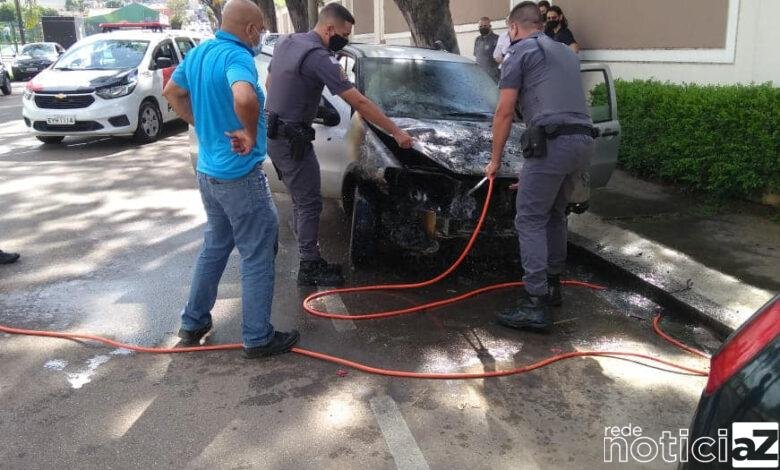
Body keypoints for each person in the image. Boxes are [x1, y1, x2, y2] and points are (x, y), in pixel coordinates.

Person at [163, 0, 299, 358]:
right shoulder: (237, 57)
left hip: (209, 173)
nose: (261, 35)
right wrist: (251, 134)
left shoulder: (199, 53)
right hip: (239, 176)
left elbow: (172, 93)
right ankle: (257, 336)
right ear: (251, 29)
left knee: (216, 244)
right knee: (257, 253)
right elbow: (244, 96)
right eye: (261, 28)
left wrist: (200, 124)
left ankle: (193, 322)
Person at [264, 3, 413, 287]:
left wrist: (297, 110)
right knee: (309, 202)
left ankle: (309, 255)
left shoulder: (287, 42)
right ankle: (309, 266)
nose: (344, 39)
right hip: (292, 140)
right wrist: (395, 132)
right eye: (343, 34)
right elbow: (357, 101)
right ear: (329, 28)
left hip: (276, 135)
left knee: (302, 200)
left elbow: (271, 83)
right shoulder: (319, 57)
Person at [485, 1, 595, 331]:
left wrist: (494, 162)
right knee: (554, 213)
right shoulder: (564, 51)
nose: (508, 35)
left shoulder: (520, 51)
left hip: (553, 142)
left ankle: (536, 302)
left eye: (508, 30)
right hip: (582, 140)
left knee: (529, 217)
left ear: (514, 27)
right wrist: (535, 171)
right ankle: (553, 286)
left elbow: (504, 112)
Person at [474, 17, 499, 81]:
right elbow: (477, 56)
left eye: (485, 25)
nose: (482, 28)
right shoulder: (477, 40)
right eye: (480, 26)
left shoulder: (496, 39)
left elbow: (500, 58)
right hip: (480, 76)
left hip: (493, 77)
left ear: (490, 26)